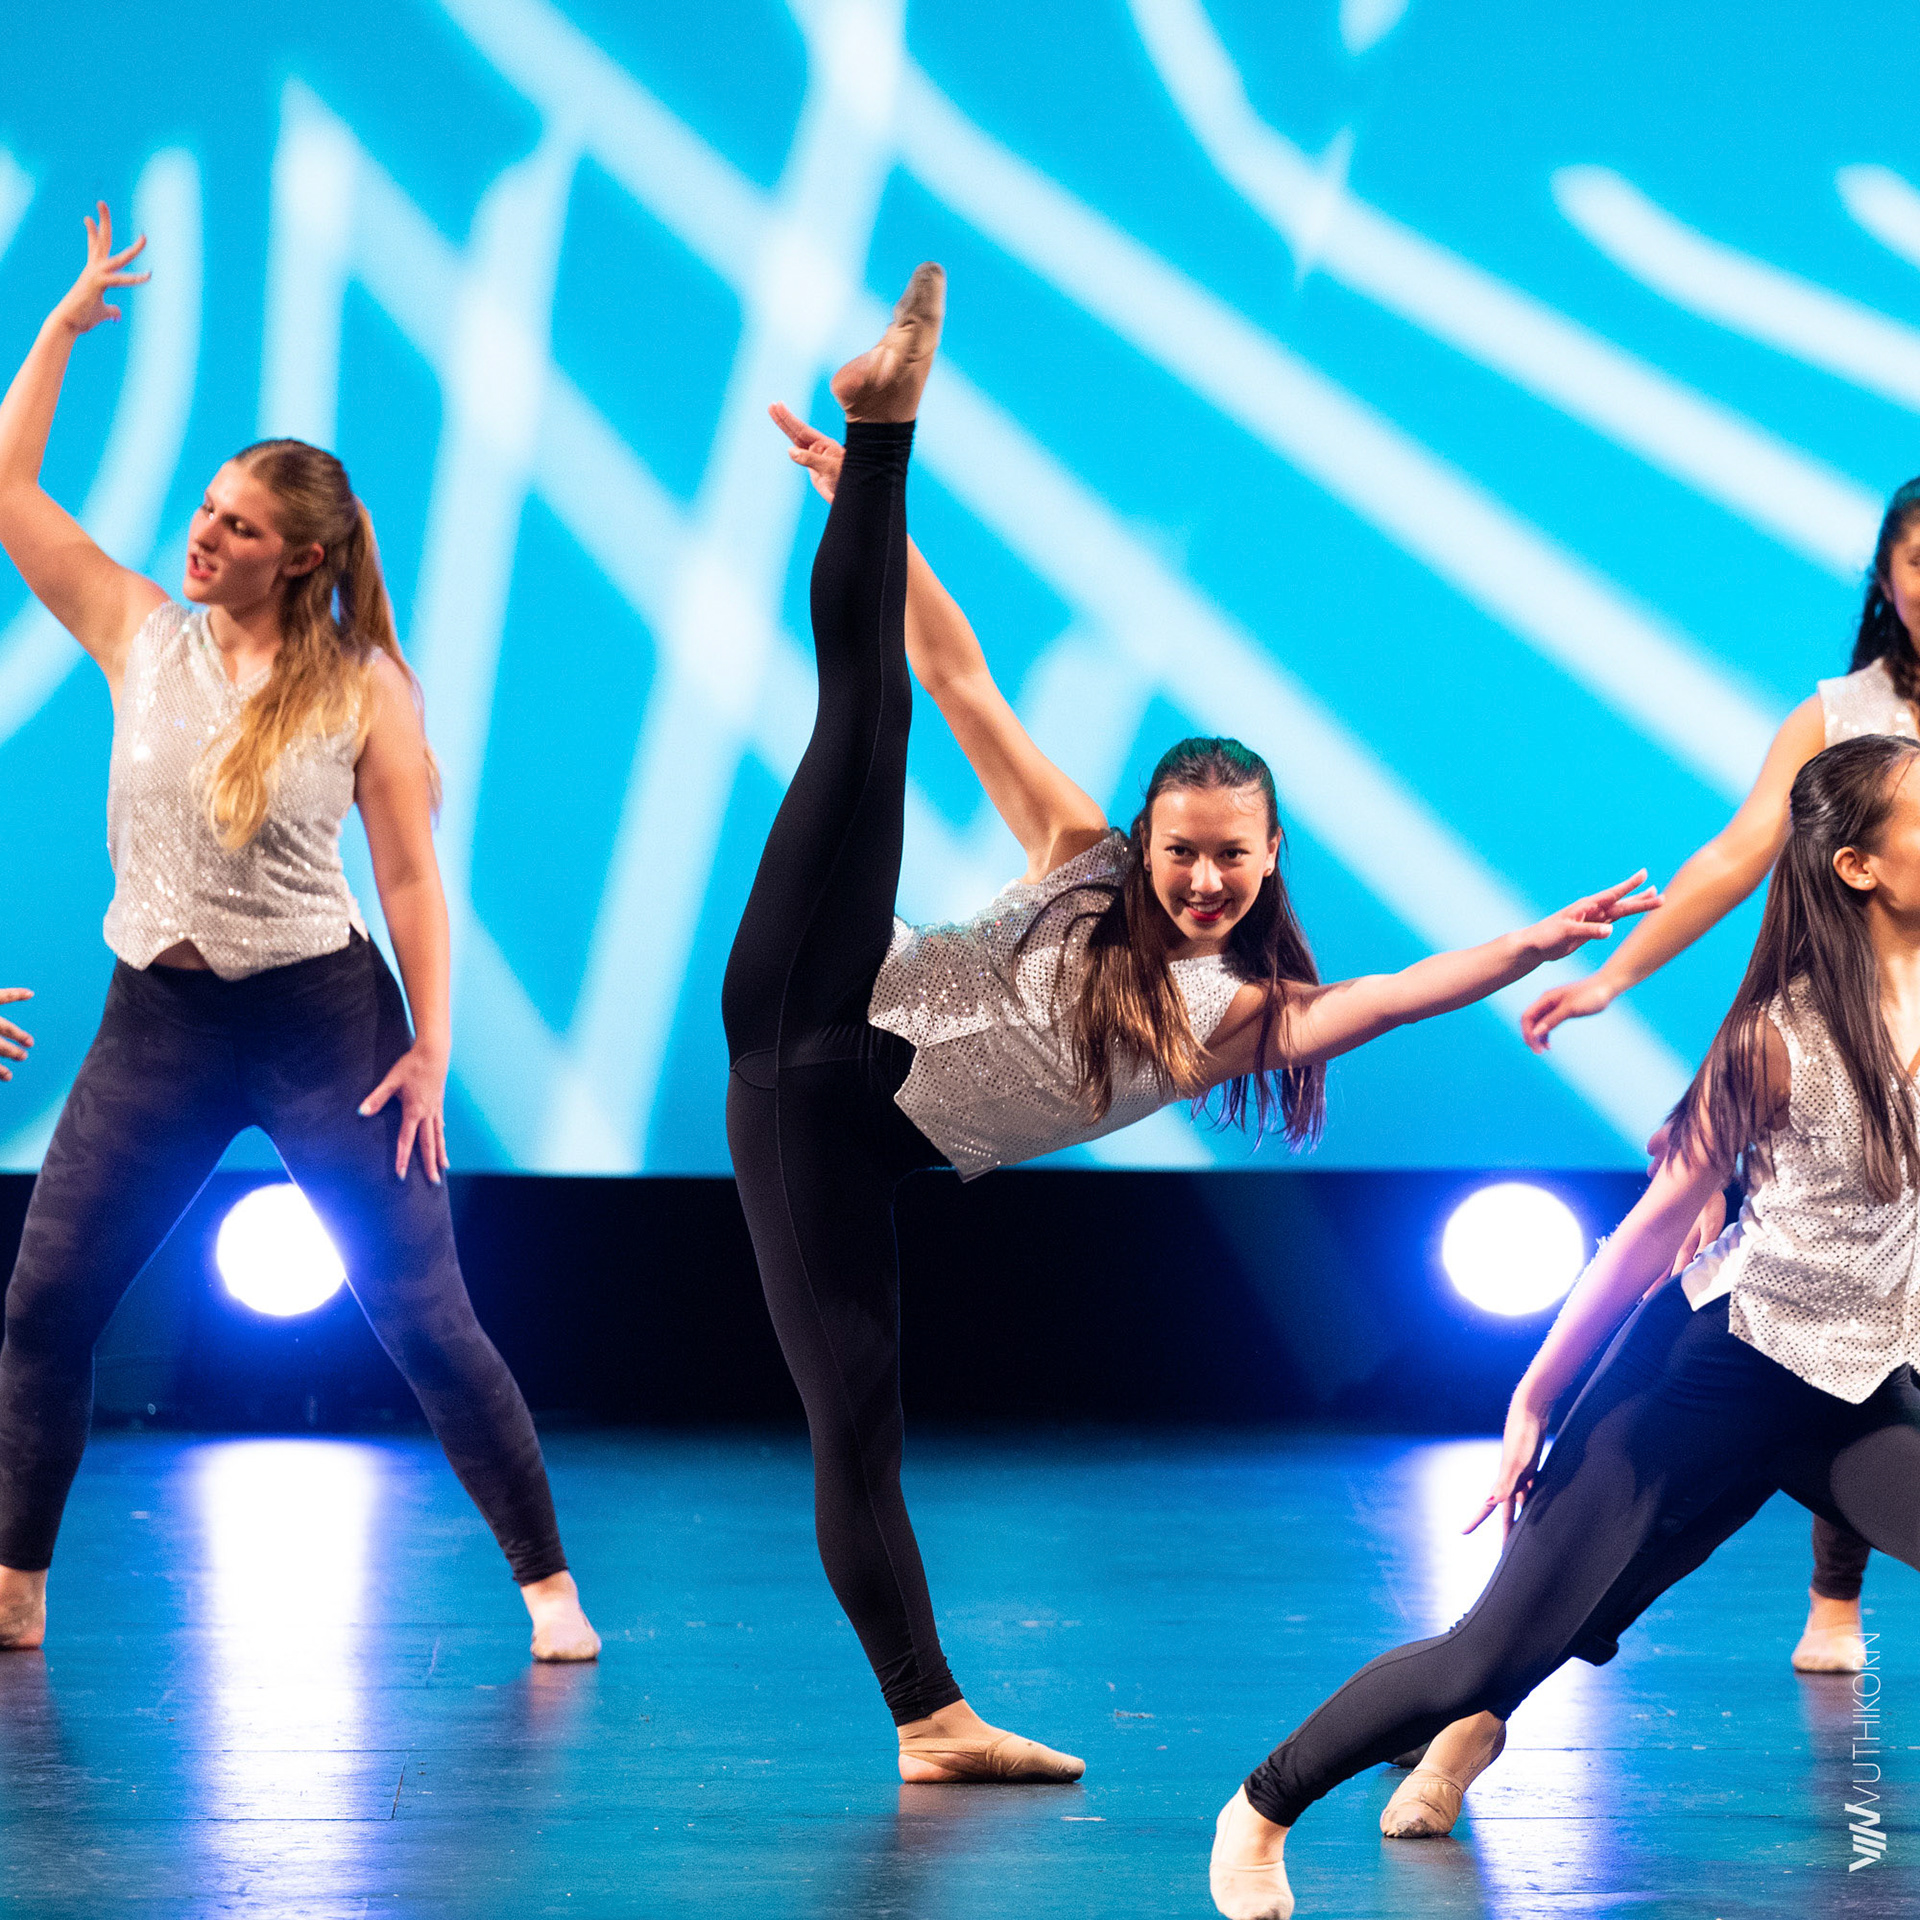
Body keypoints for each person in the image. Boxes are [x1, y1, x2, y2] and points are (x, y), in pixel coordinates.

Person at [726, 260, 1659, 1783]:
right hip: (815, 990)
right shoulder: (1080, 856)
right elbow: (957, 677)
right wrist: (869, 514)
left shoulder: (1240, 1016)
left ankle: (931, 1725)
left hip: (815, 1135)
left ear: (1270, 856)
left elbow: (1393, 995)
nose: (1206, 878)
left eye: (1233, 856)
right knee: (871, 712)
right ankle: (887, 427)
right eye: (1182, 852)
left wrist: (1529, 944)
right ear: (1144, 842)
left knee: (858, 1432)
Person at [0, 205, 597, 1662]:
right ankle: (14, 1589)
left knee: (424, 1317)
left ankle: (550, 1592)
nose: (205, 536)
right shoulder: (140, 631)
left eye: (240, 527)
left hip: (323, 1023)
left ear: (300, 556)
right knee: (44, 1309)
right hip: (158, 1022)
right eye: (206, 512)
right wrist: (63, 330)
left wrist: (432, 1049)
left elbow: (410, 884)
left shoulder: (364, 686)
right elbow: (8, 488)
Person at [1210, 731, 1920, 1920]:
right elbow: (1647, 1238)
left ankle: (1466, 1737)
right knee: (1490, 1650)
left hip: (1855, 1386)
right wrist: (1538, 1395)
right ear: (1860, 866)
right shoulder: (1777, 1040)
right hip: (1704, 1380)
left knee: (1586, 1617)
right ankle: (1262, 1807)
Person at [1516, 480, 1920, 1684]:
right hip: (1854, 1040)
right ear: (1887, 582)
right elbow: (1742, 851)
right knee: (1825, 1301)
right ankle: (1548, 1633)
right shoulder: (1842, 715)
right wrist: (1614, 976)